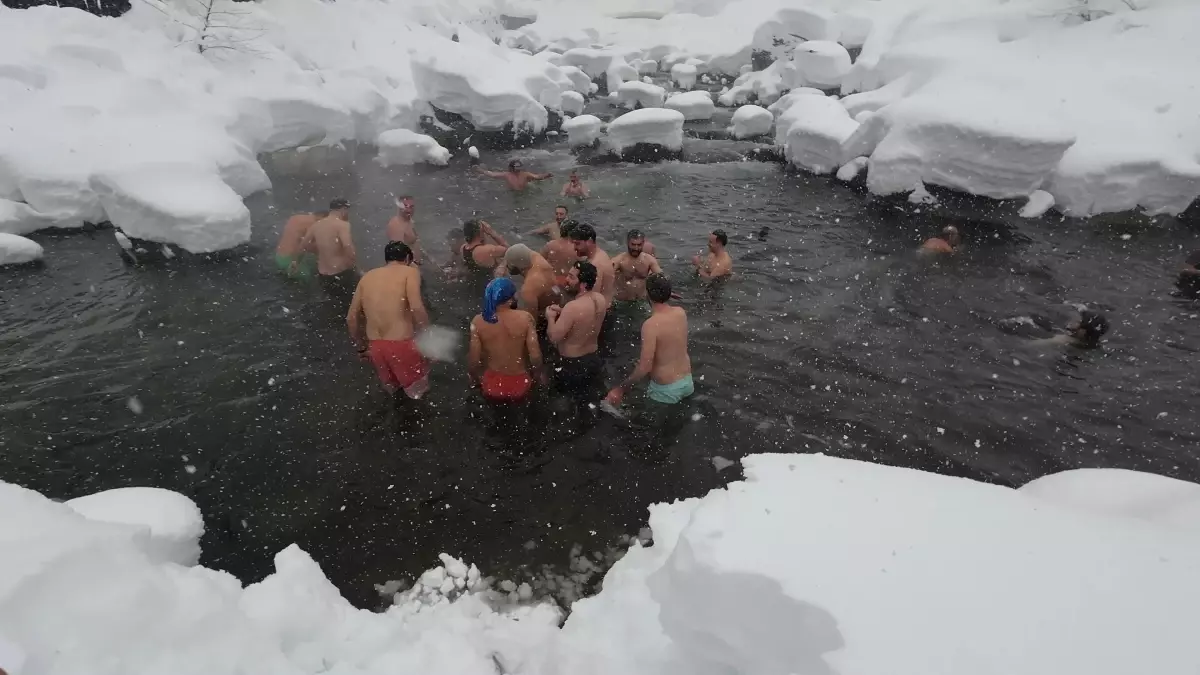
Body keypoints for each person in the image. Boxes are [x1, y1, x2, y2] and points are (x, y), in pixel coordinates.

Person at [347, 241, 431, 400]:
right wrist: (429, 338)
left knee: (394, 395)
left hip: (376, 347)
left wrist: (361, 348)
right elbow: (417, 308)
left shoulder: (367, 276)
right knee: (418, 395)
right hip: (401, 344)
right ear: (407, 259)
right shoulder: (409, 272)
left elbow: (351, 318)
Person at [605, 274, 694, 406]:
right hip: (687, 382)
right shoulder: (680, 313)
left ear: (647, 294)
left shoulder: (651, 325)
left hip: (666, 390)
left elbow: (645, 367)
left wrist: (620, 389)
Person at [468, 277, 544, 404]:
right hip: (519, 383)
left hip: (492, 384)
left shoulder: (478, 321)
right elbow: (535, 356)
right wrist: (537, 376)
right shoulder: (525, 318)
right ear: (511, 297)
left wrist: (475, 379)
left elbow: (474, 360)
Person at [546, 261, 607, 403]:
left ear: (584, 284)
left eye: (572, 277)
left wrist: (550, 318)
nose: (567, 279)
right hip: (593, 360)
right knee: (588, 401)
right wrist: (564, 314)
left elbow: (554, 337)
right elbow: (585, 319)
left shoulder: (572, 307)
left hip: (572, 365)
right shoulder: (600, 299)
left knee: (565, 403)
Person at [298, 199, 359, 297]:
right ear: (343, 209)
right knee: (349, 300)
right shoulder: (343, 225)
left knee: (331, 300)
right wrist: (354, 266)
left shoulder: (316, 225)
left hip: (323, 275)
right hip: (341, 273)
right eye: (347, 210)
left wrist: (296, 262)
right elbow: (347, 246)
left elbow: (303, 246)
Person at [611, 229, 663, 315]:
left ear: (643, 243)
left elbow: (661, 278)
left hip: (641, 302)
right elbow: (606, 277)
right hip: (622, 303)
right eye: (633, 244)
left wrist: (666, 292)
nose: (636, 248)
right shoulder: (619, 261)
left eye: (639, 245)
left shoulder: (649, 260)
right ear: (628, 243)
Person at [504, 244, 559, 320]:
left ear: (517, 267)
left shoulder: (528, 289)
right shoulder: (538, 259)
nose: (506, 266)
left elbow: (531, 322)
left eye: (508, 264)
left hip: (545, 317)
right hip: (557, 305)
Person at [569, 223, 615, 307]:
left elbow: (591, 299)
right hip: (604, 308)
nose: (574, 248)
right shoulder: (599, 254)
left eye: (577, 244)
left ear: (589, 242)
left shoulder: (595, 265)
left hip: (602, 314)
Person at [274, 210, 325, 278]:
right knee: (308, 279)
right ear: (321, 218)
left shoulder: (295, 218)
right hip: (289, 261)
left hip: (279, 257)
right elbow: (308, 246)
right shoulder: (313, 225)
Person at [1035, 310, 1110, 349]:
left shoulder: (1063, 340)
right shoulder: (1095, 345)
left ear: (1083, 332)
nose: (1075, 322)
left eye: (1080, 322)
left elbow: (1031, 345)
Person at [542, 219, 579, 287]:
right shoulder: (578, 250)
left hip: (551, 282)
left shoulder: (550, 245)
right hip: (568, 284)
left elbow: (539, 262)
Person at [475, 159, 553, 191]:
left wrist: (547, 175)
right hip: (512, 192)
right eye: (516, 168)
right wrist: (481, 170)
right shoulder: (507, 175)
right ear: (511, 168)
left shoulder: (525, 174)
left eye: (519, 168)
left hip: (524, 193)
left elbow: (537, 177)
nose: (518, 170)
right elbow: (493, 175)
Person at [386, 195, 422, 264]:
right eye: (405, 206)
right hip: (406, 269)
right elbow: (398, 257)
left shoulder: (409, 221)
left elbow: (414, 243)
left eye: (411, 207)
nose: (409, 210)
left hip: (414, 265)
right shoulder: (396, 225)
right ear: (399, 207)